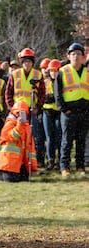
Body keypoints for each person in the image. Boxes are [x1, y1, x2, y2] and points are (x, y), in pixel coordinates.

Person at [5, 48, 46, 168]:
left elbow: (42, 93)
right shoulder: (15, 74)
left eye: (29, 61)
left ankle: (36, 161)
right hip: (18, 112)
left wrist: (38, 107)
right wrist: (12, 108)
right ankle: (19, 161)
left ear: (33, 62)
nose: (27, 64)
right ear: (21, 62)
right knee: (17, 136)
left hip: (32, 110)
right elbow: (8, 93)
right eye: (24, 61)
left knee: (35, 136)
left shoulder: (38, 75)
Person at [54, 42, 89, 177]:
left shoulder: (87, 72)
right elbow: (58, 93)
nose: (76, 56)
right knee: (66, 141)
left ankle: (80, 167)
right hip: (69, 112)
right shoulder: (63, 71)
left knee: (81, 141)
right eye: (73, 54)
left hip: (84, 111)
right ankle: (65, 167)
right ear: (68, 56)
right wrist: (63, 109)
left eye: (78, 54)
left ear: (83, 57)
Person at [0, 101, 37, 182]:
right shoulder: (9, 124)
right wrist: (19, 125)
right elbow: (13, 137)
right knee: (12, 179)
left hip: (19, 164)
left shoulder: (26, 127)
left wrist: (32, 167)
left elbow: (30, 147)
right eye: (19, 113)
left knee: (23, 179)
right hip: (7, 164)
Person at [43, 59, 62, 171]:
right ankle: (50, 161)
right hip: (47, 112)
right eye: (51, 71)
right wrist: (52, 97)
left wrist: (52, 97)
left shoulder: (62, 81)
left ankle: (60, 161)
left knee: (59, 137)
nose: (53, 73)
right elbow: (43, 97)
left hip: (59, 112)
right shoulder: (45, 82)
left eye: (55, 71)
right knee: (49, 137)